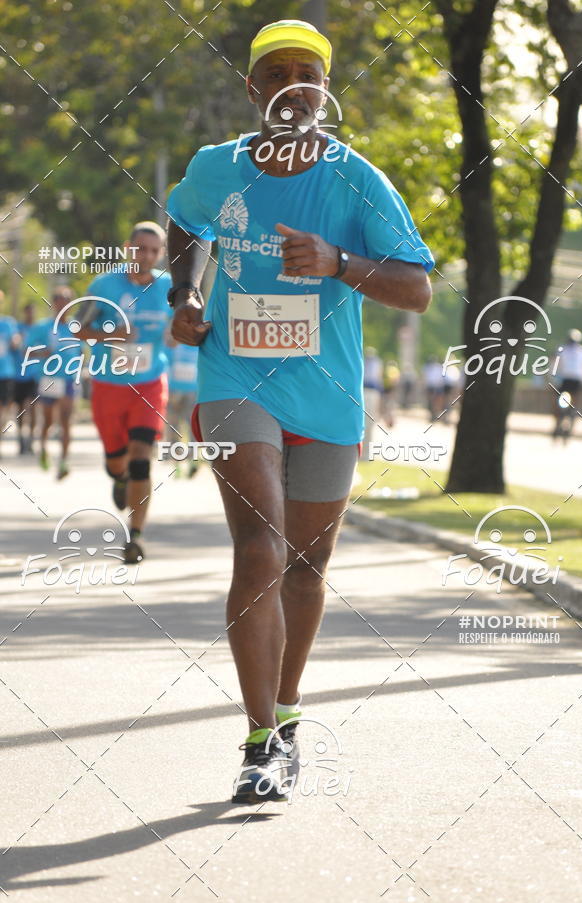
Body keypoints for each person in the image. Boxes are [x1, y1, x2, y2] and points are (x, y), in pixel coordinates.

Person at [166, 19, 433, 803]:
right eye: (277, 73)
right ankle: (258, 743)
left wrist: (338, 261)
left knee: (307, 569)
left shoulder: (359, 182)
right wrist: (186, 293)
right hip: (235, 378)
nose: (293, 86)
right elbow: (187, 222)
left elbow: (418, 287)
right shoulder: (216, 168)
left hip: (327, 392)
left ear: (325, 89)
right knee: (261, 549)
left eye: (307, 74)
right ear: (253, 88)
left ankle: (286, 717)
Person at [78, 222, 171, 564]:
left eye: (154, 251)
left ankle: (135, 536)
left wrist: (181, 333)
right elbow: (77, 328)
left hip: (149, 384)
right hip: (109, 386)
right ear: (127, 248)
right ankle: (119, 477)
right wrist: (110, 334)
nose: (146, 256)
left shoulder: (169, 287)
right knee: (118, 461)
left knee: (141, 458)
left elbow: (181, 324)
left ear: (161, 254)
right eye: (140, 248)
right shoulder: (104, 285)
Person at [25, 287, 80, 479]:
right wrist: (42, 353)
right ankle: (43, 449)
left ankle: (64, 461)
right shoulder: (42, 327)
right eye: (58, 300)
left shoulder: (77, 327)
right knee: (48, 420)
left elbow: (82, 350)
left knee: (66, 419)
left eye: (66, 300)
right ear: (53, 303)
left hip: (69, 379)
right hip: (49, 379)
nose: (62, 304)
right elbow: (27, 351)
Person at [165, 340, 200, 477]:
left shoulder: (174, 343)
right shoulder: (197, 344)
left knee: (177, 429)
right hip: (185, 392)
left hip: (180, 392)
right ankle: (186, 463)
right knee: (189, 429)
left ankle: (181, 464)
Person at [552, 328, 582, 437]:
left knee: (557, 402)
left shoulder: (562, 349)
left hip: (565, 379)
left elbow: (555, 364)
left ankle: (557, 425)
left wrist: (552, 378)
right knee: (575, 404)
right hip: (578, 380)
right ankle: (571, 426)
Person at [13, 303, 39, 454]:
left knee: (33, 407)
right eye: (28, 311)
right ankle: (20, 439)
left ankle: (31, 440)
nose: (30, 314)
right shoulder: (18, 329)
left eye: (32, 312)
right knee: (20, 409)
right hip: (18, 374)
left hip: (34, 374)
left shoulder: (38, 329)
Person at [0, 295, 19, 456]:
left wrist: (16, 341)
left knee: (3, 409)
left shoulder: (8, 323)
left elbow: (15, 343)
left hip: (5, 373)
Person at [423, 356, 446, 422]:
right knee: (431, 401)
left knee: (436, 402)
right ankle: (433, 415)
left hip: (436, 387)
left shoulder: (437, 367)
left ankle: (435, 415)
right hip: (432, 386)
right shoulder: (429, 367)